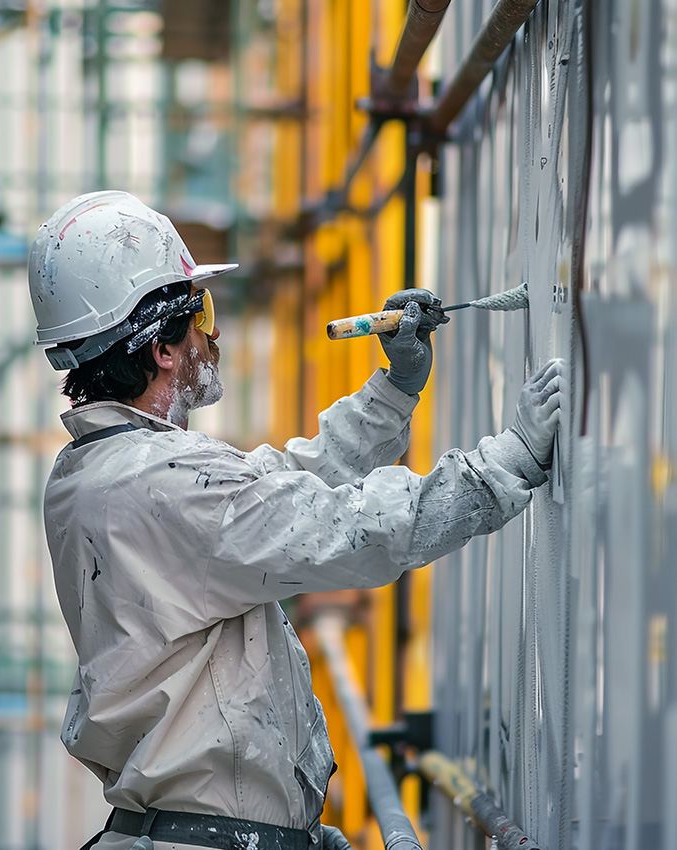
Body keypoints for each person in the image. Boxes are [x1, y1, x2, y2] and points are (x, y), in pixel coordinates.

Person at [28, 191, 564, 850]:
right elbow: (344, 527)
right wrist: (505, 463)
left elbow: (280, 485)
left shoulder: (104, 475)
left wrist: (391, 391)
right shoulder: (159, 487)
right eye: (205, 313)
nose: (214, 334)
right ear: (162, 347)